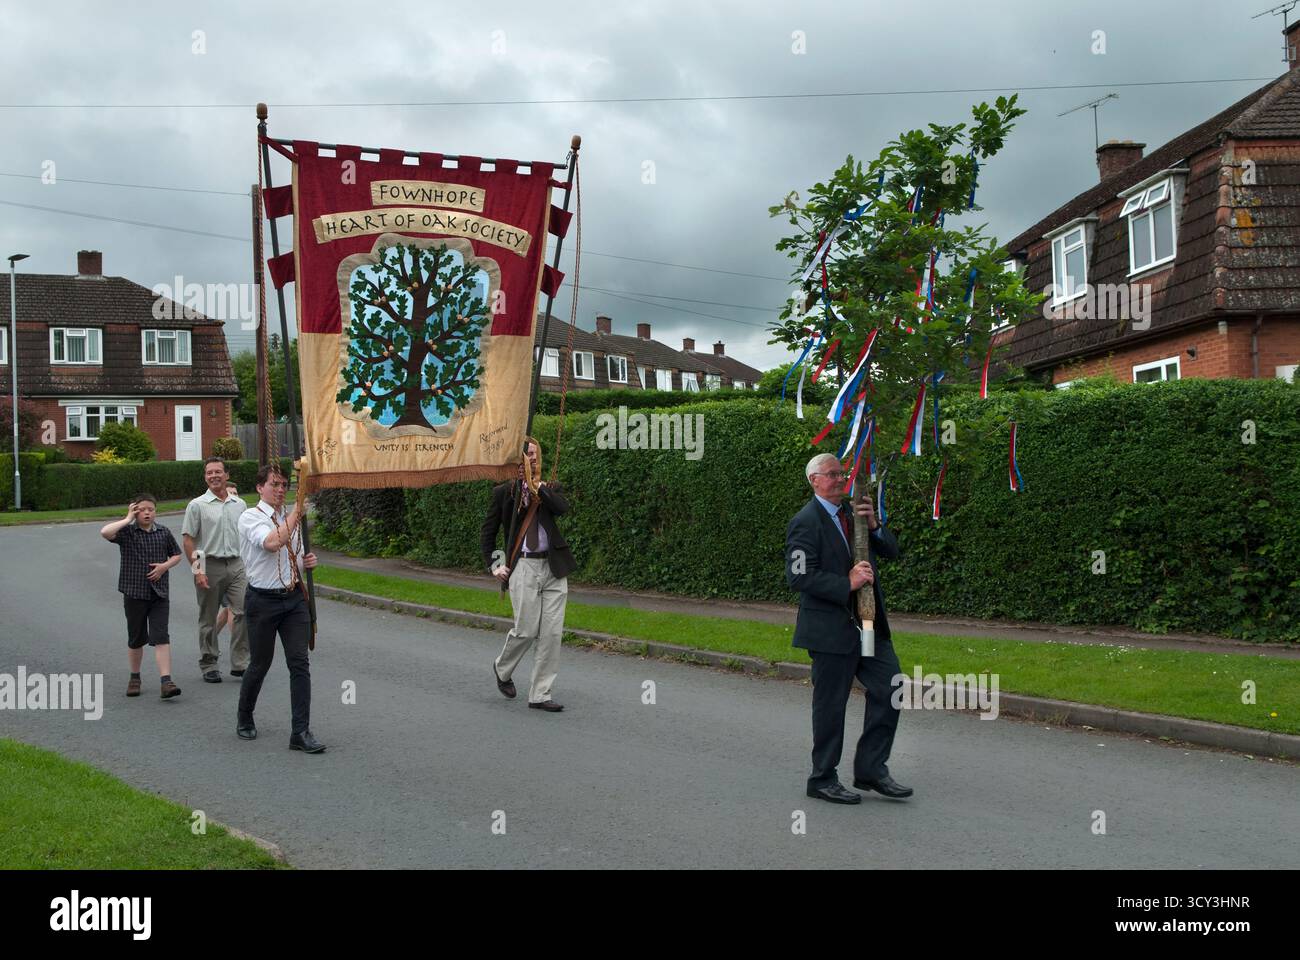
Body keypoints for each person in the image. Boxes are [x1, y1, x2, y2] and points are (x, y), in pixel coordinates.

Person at [785, 453, 908, 805]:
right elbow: (798, 576)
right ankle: (822, 778)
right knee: (831, 705)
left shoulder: (853, 514)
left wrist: (873, 527)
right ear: (814, 481)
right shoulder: (805, 522)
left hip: (869, 625)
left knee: (891, 688)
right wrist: (847, 582)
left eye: (843, 473)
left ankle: (871, 769)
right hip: (831, 631)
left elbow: (892, 551)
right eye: (833, 474)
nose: (841, 479)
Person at [480, 437, 575, 713]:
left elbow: (562, 509)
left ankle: (540, 694)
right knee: (526, 629)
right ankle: (502, 668)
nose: (531, 458)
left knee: (552, 634)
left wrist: (539, 489)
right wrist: (495, 565)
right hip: (524, 566)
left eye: (534, 454)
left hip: (554, 567)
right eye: (526, 454)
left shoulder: (549, 488)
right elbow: (488, 533)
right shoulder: (504, 493)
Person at [235, 463, 323, 753]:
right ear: (260, 487)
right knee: (260, 664)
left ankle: (300, 731)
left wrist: (305, 562)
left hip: (293, 600)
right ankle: (245, 716)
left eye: (284, 484)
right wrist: (298, 512)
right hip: (262, 601)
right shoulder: (251, 517)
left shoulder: (289, 518)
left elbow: (292, 557)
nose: (280, 489)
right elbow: (273, 542)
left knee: (299, 663)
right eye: (274, 484)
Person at [100, 493, 184, 699]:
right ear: (135, 511)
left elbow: (177, 555)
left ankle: (166, 681)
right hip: (134, 592)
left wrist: (164, 566)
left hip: (159, 593)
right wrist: (127, 519)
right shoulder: (127, 533)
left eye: (151, 509)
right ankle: (135, 677)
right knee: (136, 638)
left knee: (161, 636)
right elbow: (105, 532)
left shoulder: (163, 532)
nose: (147, 513)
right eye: (142, 509)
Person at [182, 459, 249, 683]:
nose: (213, 476)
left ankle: (240, 663)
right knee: (208, 617)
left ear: (226, 475)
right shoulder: (197, 505)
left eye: (218, 472)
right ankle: (209, 663)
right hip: (209, 564)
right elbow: (189, 540)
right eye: (209, 473)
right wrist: (198, 571)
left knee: (242, 612)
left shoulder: (239, 504)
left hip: (237, 564)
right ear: (205, 477)